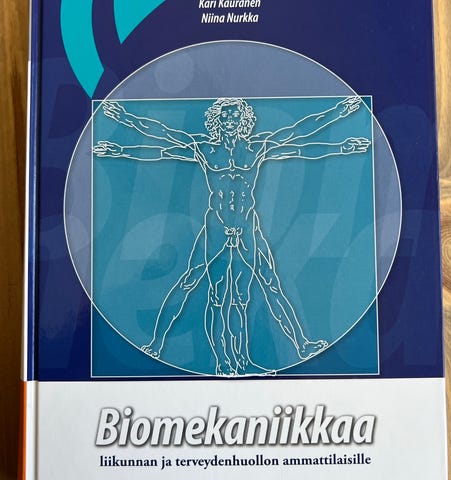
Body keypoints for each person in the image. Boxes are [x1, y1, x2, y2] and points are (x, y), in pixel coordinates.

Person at [94, 97, 370, 375]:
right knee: (204, 289)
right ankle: (182, 351)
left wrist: (340, 129)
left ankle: (293, 348)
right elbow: (163, 143)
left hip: (248, 227)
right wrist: (121, 134)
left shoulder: (257, 147)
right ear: (216, 120)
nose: (230, 121)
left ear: (244, 121)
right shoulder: (205, 149)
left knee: (257, 290)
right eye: (225, 116)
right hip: (215, 227)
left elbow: (300, 142)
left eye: (235, 116)